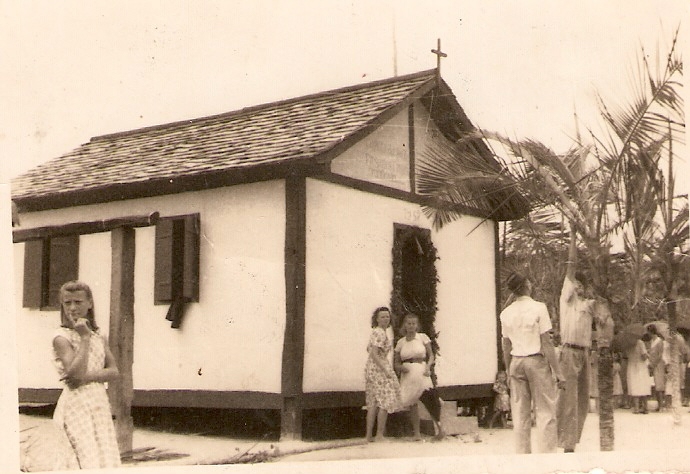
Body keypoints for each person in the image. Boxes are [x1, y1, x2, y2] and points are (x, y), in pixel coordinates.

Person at [52, 280, 121, 469]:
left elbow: (114, 371)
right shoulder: (61, 337)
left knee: (103, 455)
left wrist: (86, 378)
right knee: (84, 456)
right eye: (67, 303)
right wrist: (83, 338)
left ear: (89, 303)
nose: (72, 308)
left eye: (78, 302)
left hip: (98, 402)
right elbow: (75, 373)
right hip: (76, 404)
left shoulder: (98, 334)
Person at [500, 272, 563, 454]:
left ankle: (522, 458)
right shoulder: (539, 308)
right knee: (545, 411)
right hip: (535, 360)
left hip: (516, 362)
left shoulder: (506, 313)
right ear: (527, 285)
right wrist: (558, 372)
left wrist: (508, 369)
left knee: (520, 414)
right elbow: (546, 342)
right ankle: (547, 458)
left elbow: (506, 345)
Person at [557, 229, 599, 453]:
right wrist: (573, 237)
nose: (579, 288)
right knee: (568, 399)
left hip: (585, 353)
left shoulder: (589, 304)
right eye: (577, 285)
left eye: (582, 286)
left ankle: (572, 440)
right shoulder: (567, 300)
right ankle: (566, 443)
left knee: (583, 401)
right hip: (569, 352)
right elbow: (571, 266)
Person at [394, 313, 445, 441]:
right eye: (408, 323)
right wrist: (401, 368)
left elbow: (431, 356)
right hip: (408, 373)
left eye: (413, 323)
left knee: (429, 397)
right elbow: (395, 362)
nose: (411, 326)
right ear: (404, 325)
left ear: (417, 325)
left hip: (421, 370)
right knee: (412, 403)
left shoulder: (422, 338)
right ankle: (416, 433)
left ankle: (440, 429)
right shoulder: (401, 342)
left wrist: (428, 367)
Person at [364, 307, 402, 442]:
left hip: (371, 369)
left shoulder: (376, 332)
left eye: (387, 316)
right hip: (379, 368)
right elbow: (374, 353)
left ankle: (369, 435)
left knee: (373, 402)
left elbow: (369, 350)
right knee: (385, 401)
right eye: (382, 317)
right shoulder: (380, 333)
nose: (386, 319)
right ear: (377, 319)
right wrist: (385, 369)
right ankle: (379, 435)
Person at [627, 333, 652, 414]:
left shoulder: (628, 344)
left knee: (635, 386)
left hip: (631, 366)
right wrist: (648, 354)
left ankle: (636, 408)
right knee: (643, 386)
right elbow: (644, 356)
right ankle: (645, 408)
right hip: (641, 366)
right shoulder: (640, 343)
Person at [647, 324, 667, 411]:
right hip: (652, 363)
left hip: (658, 364)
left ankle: (661, 405)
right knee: (655, 385)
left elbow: (660, 354)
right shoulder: (651, 341)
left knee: (659, 385)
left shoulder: (659, 341)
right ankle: (659, 404)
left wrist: (654, 364)